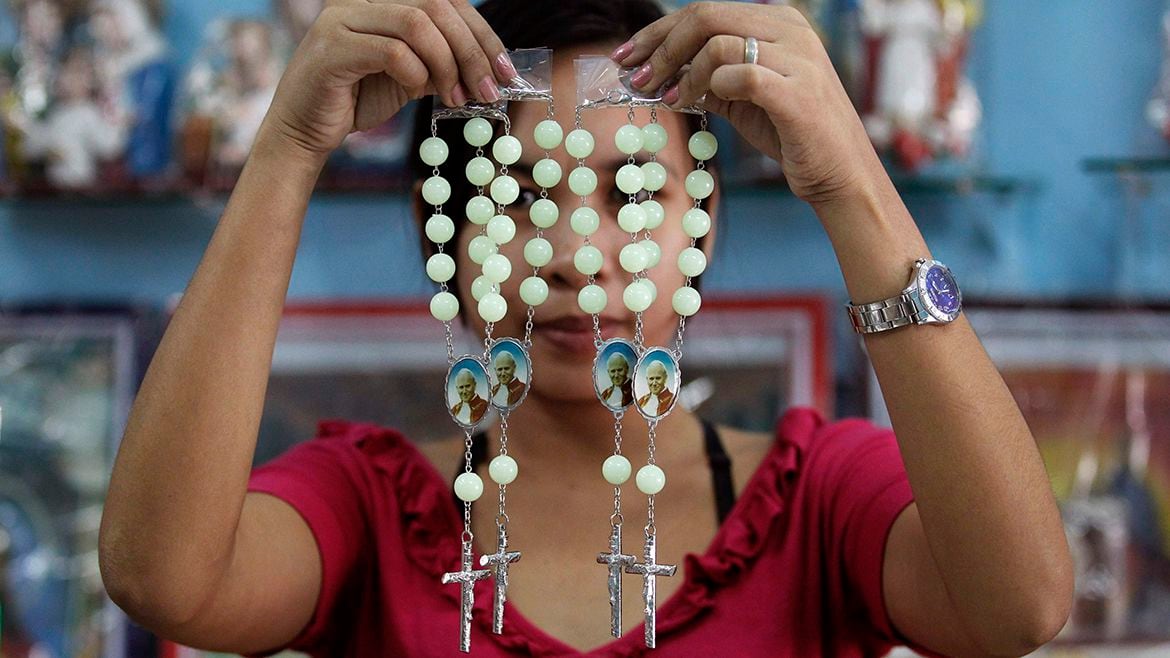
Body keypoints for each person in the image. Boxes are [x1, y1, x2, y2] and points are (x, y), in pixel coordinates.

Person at [98, 1, 1074, 656]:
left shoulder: (819, 500)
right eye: (516, 195)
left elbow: (1020, 606)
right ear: (441, 229)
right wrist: (287, 148)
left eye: (633, 192)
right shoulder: (365, 509)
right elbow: (160, 580)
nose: (573, 253)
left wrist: (850, 179)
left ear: (704, 223)